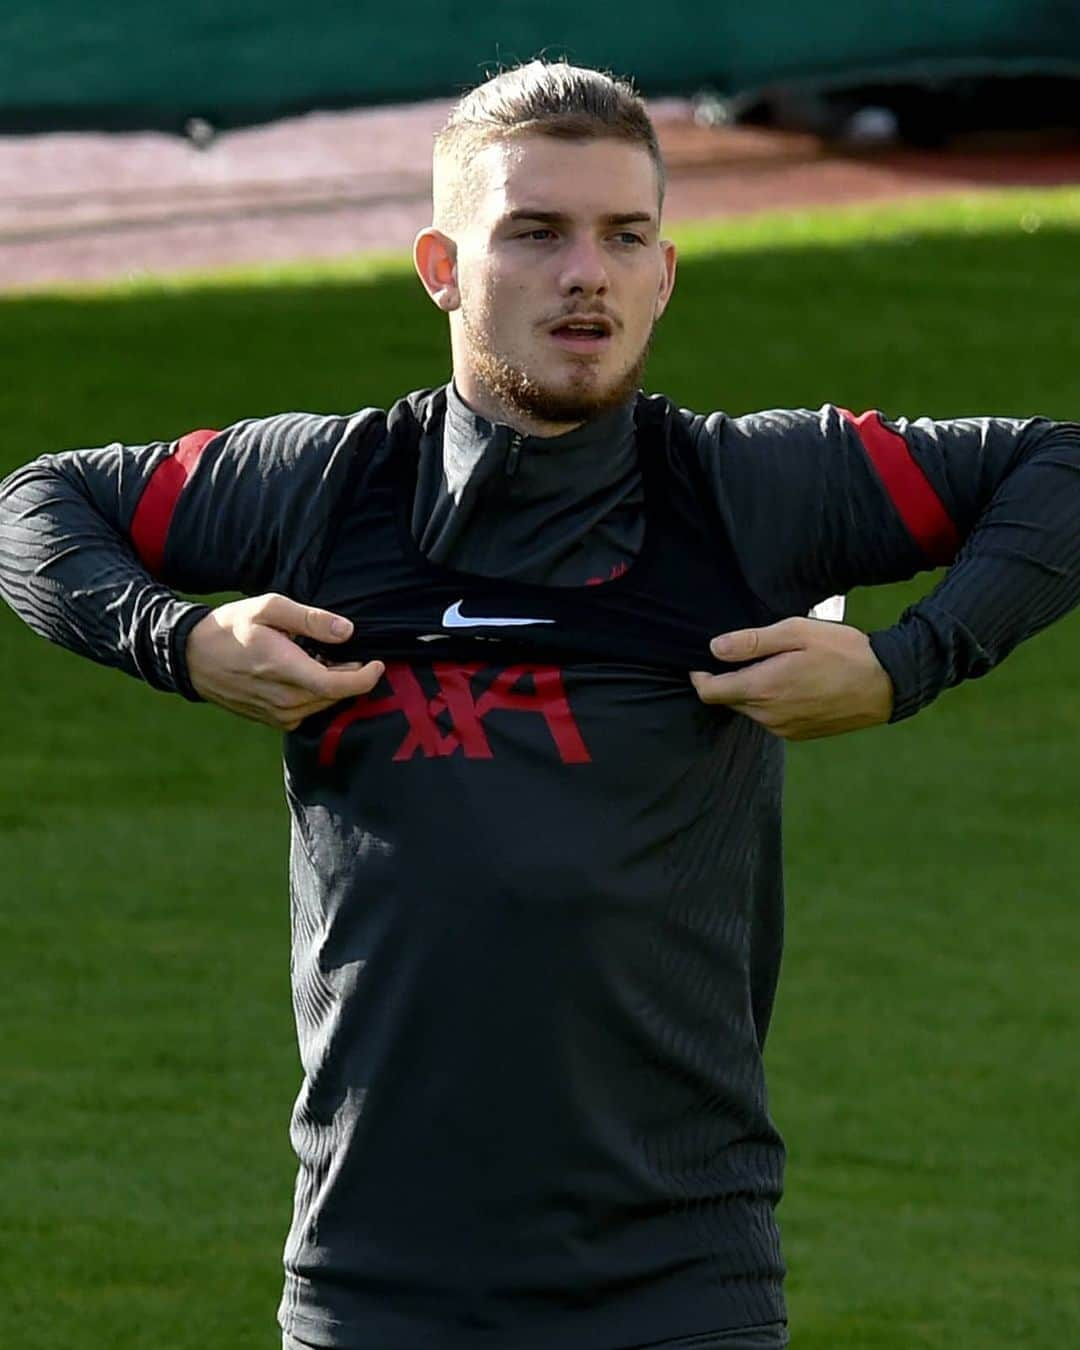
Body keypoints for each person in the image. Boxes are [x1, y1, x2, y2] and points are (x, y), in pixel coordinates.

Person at [1, 57, 1078, 1350]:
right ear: (441, 267)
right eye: (537, 232)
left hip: (681, 1285)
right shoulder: (328, 488)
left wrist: (914, 660)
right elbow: (38, 504)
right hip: (374, 1281)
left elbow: (1055, 471)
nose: (589, 273)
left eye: (626, 236)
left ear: (666, 275)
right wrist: (180, 639)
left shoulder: (748, 491)